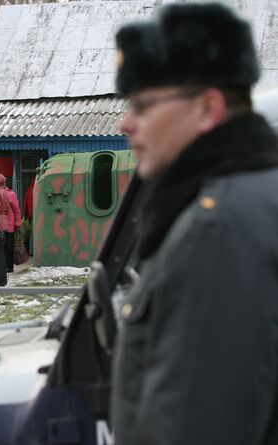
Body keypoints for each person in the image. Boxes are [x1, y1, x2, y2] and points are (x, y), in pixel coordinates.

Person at [111, 4, 278, 444]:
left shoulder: (219, 228)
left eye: (143, 104)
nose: (125, 123)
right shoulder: (252, 195)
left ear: (207, 108)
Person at [4, 185, 22, 273]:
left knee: (9, 247)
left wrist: (17, 223)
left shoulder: (11, 194)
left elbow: (16, 210)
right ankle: (3, 265)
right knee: (1, 247)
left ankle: (9, 266)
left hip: (9, 225)